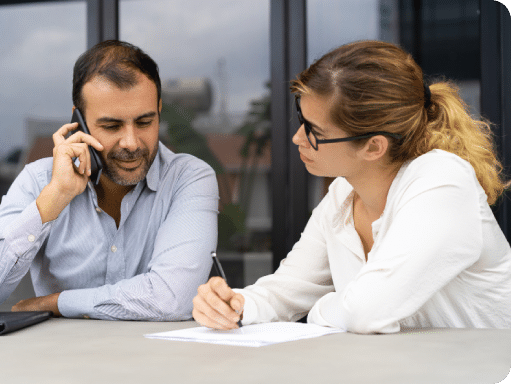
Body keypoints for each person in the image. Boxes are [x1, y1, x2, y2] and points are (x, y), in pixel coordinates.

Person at [193, 40, 511, 334]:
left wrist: (320, 310)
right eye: (301, 120)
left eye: (314, 131)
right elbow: (286, 291)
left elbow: (365, 311)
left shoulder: (442, 182)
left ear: (373, 147)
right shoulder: (342, 195)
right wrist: (232, 305)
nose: (297, 138)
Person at [0, 40, 219, 320]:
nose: (131, 143)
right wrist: (54, 198)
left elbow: (170, 299)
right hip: (62, 361)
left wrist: (57, 303)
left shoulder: (188, 178)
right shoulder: (39, 180)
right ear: (78, 122)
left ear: (159, 110)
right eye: (111, 126)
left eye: (144, 122)